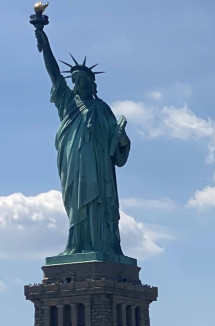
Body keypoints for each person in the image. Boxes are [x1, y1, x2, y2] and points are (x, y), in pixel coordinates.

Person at [34, 24, 131, 260]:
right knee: (76, 203)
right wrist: (43, 39)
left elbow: (117, 149)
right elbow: (54, 73)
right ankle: (77, 246)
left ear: (91, 85)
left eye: (82, 82)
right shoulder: (68, 103)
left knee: (98, 203)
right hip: (73, 162)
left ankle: (101, 246)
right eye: (75, 81)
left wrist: (122, 139)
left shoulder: (102, 109)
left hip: (98, 168)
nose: (78, 85)